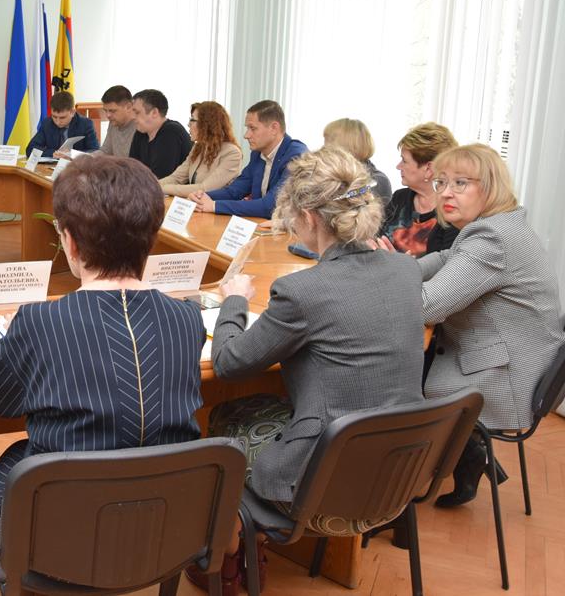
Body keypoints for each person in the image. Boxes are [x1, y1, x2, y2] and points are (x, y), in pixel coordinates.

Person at [191, 147, 425, 594]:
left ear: (310, 218)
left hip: (320, 485)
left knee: (224, 418)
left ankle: (233, 543)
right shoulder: (404, 271)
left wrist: (234, 299)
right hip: (396, 472)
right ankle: (244, 537)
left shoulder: (303, 292)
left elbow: (228, 363)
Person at [0, 154, 205, 535]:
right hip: (165, 526)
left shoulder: (37, 322)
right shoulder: (188, 319)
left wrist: (16, 340)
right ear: (153, 238)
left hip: (60, 530)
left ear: (70, 241)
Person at [417, 144, 564, 508]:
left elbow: (428, 306)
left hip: (507, 377)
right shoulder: (498, 225)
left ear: (490, 186)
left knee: (394, 382)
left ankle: (398, 492)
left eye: (460, 183)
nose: (446, 193)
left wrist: (374, 290)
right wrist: (393, 271)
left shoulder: (492, 239)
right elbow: (446, 258)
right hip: (520, 359)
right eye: (441, 182)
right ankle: (469, 452)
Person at [191, 100, 307, 218]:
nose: (246, 135)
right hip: (260, 224)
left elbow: (270, 206)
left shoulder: (296, 156)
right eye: (247, 128)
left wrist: (214, 206)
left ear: (274, 128)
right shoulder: (257, 154)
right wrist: (202, 196)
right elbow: (235, 191)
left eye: (253, 128)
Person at [376, 122, 458, 256]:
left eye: (404, 161)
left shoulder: (453, 212)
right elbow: (375, 239)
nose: (398, 166)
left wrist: (400, 264)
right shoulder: (400, 198)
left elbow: (446, 264)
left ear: (429, 169)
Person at [160, 101, 242, 197]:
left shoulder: (232, 153)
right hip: (196, 203)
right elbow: (176, 178)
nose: (188, 124)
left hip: (216, 206)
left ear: (208, 124)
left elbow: (204, 189)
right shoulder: (198, 147)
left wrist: (162, 188)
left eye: (192, 120)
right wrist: (151, 186)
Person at [322, 118, 393, 205]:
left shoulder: (375, 182)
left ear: (346, 145)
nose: (323, 148)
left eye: (328, 141)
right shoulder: (332, 176)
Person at [127, 89, 193, 178]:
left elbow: (160, 176)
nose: (132, 117)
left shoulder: (171, 132)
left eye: (137, 112)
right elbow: (131, 170)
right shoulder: (141, 132)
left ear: (154, 112)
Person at [25, 90, 98, 158]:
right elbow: (30, 149)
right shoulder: (47, 123)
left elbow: (95, 151)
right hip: (52, 165)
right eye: (54, 116)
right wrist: (52, 153)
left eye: (62, 118)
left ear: (72, 112)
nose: (58, 122)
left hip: (76, 165)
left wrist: (72, 154)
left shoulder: (85, 124)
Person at [97, 85, 137, 157]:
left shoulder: (141, 125)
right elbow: (105, 151)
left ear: (128, 107)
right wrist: (87, 157)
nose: (108, 115)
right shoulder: (113, 122)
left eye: (112, 111)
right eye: (105, 110)